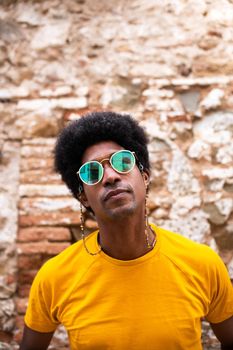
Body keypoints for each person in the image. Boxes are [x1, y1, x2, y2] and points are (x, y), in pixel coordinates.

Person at [20, 111, 233, 350]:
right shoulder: (55, 277)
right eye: (92, 172)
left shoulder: (202, 264)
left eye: (122, 161)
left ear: (144, 177)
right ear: (83, 197)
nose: (110, 176)